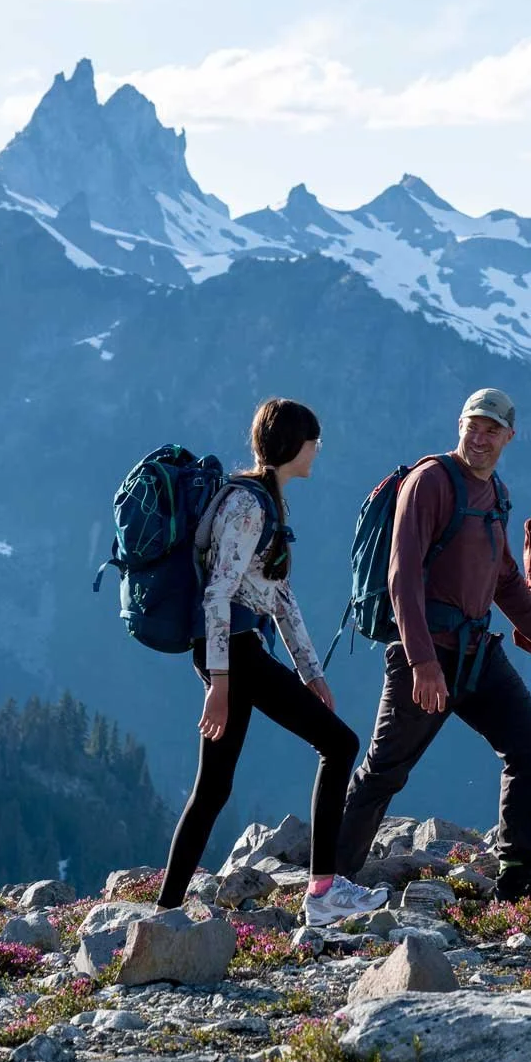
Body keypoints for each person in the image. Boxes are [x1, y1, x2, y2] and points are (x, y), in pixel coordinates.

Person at [334, 388, 531, 902]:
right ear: (460, 423)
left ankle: (515, 875)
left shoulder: (496, 495)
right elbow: (402, 577)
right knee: (385, 770)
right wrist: (422, 662)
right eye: (474, 424)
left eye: (492, 429)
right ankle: (330, 883)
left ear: (510, 437)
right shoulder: (431, 481)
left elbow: (506, 579)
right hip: (426, 654)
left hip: (476, 655)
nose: (480, 436)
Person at [155, 398, 376, 928]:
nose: (317, 450)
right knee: (340, 744)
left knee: (213, 788)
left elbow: (277, 594)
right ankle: (323, 891)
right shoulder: (249, 506)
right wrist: (221, 681)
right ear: (292, 446)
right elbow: (218, 594)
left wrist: (311, 671)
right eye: (312, 441)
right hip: (236, 654)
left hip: (234, 654)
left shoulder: (267, 501)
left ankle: (165, 911)